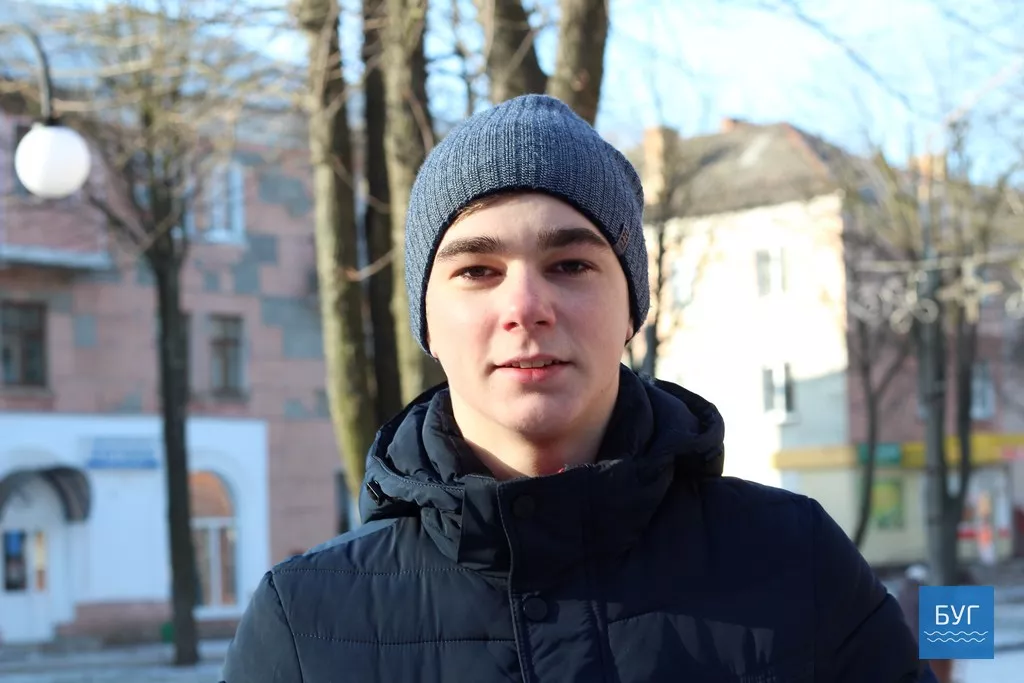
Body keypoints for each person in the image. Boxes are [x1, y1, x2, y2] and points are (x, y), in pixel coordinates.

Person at [221, 94, 932, 682]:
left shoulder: (797, 563)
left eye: (570, 264)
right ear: (426, 320)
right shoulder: (304, 624)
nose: (526, 306)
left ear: (632, 308)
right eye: (477, 270)